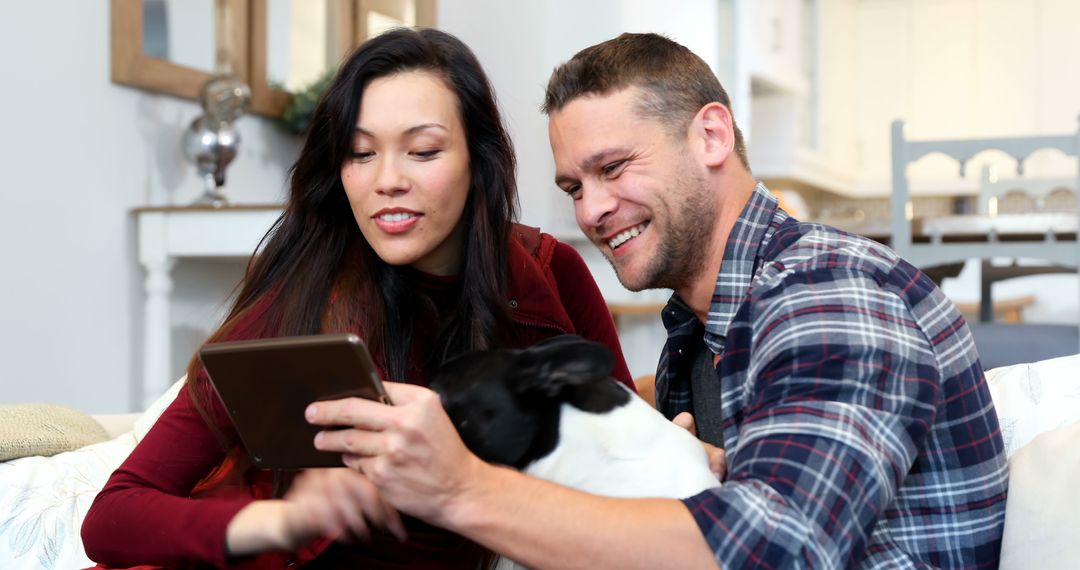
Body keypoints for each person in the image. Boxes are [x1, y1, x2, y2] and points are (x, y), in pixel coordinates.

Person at [306, 32, 1009, 568]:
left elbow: (774, 549)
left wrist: (460, 491)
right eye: (575, 188)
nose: (593, 211)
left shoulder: (828, 291)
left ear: (710, 135)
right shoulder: (697, 331)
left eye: (613, 168)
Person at [81, 28, 632, 569]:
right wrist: (284, 521)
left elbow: (627, 462)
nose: (386, 180)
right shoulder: (303, 294)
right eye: (360, 153)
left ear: (478, 159)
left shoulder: (548, 273)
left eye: (422, 150)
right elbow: (112, 517)